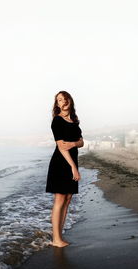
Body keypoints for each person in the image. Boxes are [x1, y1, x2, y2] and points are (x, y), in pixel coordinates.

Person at [46, 90, 84, 248]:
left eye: (65, 98)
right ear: (57, 104)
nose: (63, 101)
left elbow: (81, 141)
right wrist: (74, 168)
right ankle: (56, 239)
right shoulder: (57, 121)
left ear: (70, 100)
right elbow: (61, 147)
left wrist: (74, 144)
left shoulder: (74, 121)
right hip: (61, 164)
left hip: (71, 162)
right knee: (60, 199)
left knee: (67, 200)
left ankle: (58, 236)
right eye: (59, 100)